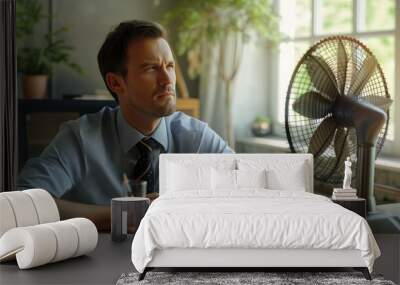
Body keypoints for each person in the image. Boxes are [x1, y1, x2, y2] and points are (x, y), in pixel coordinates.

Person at [18, 20, 233, 230]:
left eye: (169, 66)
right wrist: (119, 215)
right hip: (97, 263)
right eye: (151, 68)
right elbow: (22, 205)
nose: (167, 80)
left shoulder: (197, 138)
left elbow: (251, 191)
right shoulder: (80, 138)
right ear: (116, 83)